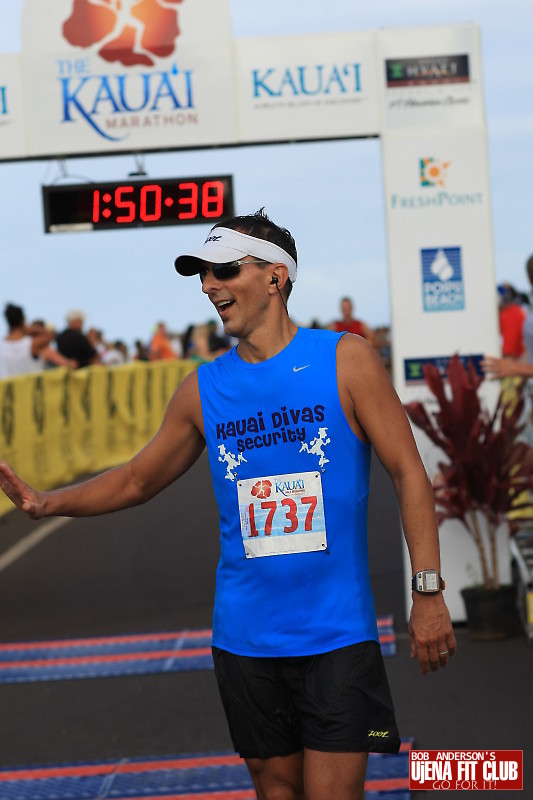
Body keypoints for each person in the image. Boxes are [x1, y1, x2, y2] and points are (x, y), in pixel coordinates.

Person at [0, 210, 456, 800]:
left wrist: (428, 591)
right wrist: (45, 503)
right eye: (202, 274)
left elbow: (409, 475)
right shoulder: (202, 388)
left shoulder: (346, 360)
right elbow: (139, 479)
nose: (209, 285)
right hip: (245, 641)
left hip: (338, 637)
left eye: (222, 269)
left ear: (275, 277)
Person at [0, 303, 55, 377]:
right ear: (23, 320)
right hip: (30, 387)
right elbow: (49, 336)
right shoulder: (32, 344)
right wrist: (30, 328)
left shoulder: (2, 346)